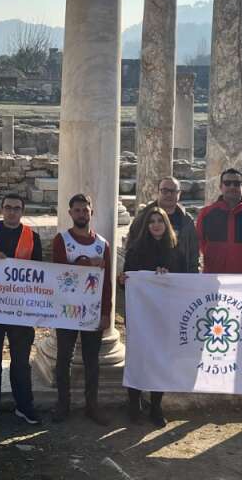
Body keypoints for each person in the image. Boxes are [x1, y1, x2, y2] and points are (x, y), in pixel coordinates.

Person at [0, 192, 42, 425]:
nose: (12, 212)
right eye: (8, 207)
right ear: (1, 210)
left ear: (23, 211)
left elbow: (40, 273)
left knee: (21, 361)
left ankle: (24, 406)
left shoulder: (33, 237)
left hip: (21, 309)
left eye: (17, 208)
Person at [119, 205, 190, 427]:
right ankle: (134, 404)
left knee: (161, 359)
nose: (156, 225)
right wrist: (125, 281)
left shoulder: (177, 251)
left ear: (166, 224)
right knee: (139, 357)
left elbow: (183, 282)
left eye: (160, 221)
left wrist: (168, 278)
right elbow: (128, 285)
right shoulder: (135, 250)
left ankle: (156, 406)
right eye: (151, 222)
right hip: (141, 315)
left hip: (165, 315)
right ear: (146, 226)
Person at [50, 193, 113, 425]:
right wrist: (86, 265)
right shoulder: (61, 240)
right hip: (66, 309)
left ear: (91, 212)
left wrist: (106, 312)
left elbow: (106, 282)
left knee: (91, 360)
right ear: (70, 213)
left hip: (92, 311)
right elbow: (59, 272)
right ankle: (63, 405)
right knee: (63, 358)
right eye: (77, 210)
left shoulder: (102, 244)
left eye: (85, 210)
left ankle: (92, 406)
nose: (81, 214)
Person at [196, 168, 242, 274]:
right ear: (221, 187)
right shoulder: (206, 213)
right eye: (227, 183)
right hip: (214, 274)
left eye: (236, 183)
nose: (232, 186)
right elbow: (200, 241)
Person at [129, 176, 200, 274]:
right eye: (164, 191)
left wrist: (193, 277)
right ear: (158, 192)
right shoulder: (142, 218)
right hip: (148, 280)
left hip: (179, 279)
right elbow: (131, 249)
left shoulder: (187, 220)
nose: (169, 194)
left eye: (173, 191)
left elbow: (193, 253)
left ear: (179, 194)